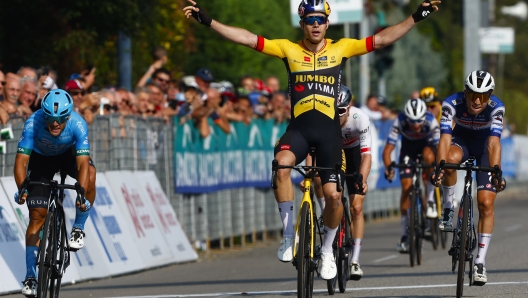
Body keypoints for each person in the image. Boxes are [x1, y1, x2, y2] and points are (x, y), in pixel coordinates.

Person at [184, 0, 441, 280]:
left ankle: (328, 251)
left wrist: (416, 17)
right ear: (302, 23)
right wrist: (209, 22)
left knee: (334, 197)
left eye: (320, 19)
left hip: (329, 134)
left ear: (327, 23)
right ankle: (287, 235)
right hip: (300, 130)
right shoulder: (288, 48)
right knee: (281, 165)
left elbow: (381, 39)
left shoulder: (340, 48)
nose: (315, 24)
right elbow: (247, 38)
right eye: (310, 20)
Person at [14, 89, 96, 296]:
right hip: (41, 160)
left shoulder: (78, 124)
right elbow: (21, 161)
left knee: (92, 176)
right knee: (37, 216)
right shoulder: (33, 123)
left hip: (68, 156)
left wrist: (81, 193)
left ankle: (78, 227)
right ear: (44, 114)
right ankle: (31, 276)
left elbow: (83, 165)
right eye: (50, 118)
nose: (55, 123)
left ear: (68, 115)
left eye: (60, 118)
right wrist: (21, 188)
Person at [431, 70, 506, 286]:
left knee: (485, 203)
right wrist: (440, 167)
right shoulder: (451, 103)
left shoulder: (496, 107)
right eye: (473, 94)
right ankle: (447, 206)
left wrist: (495, 171)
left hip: (484, 147)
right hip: (461, 141)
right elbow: (445, 138)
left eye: (484, 95)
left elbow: (493, 144)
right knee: (449, 160)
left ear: (490, 95)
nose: (477, 100)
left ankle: (480, 262)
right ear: (465, 92)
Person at [304, 85, 372, 280]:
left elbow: (366, 155)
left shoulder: (360, 119)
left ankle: (355, 261)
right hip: (331, 152)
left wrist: (362, 179)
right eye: (333, 110)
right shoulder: (323, 119)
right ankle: (326, 211)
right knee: (317, 177)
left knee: (356, 208)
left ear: (349, 108)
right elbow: (311, 150)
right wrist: (309, 172)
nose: (337, 115)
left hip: (353, 156)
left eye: (341, 111)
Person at [383, 98, 439, 253]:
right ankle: (405, 235)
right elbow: (387, 150)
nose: (415, 125)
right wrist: (389, 168)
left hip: (427, 147)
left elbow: (439, 147)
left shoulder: (430, 120)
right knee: (406, 188)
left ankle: (431, 200)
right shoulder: (399, 121)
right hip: (408, 152)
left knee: (429, 158)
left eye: (418, 121)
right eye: (412, 121)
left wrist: (438, 169)